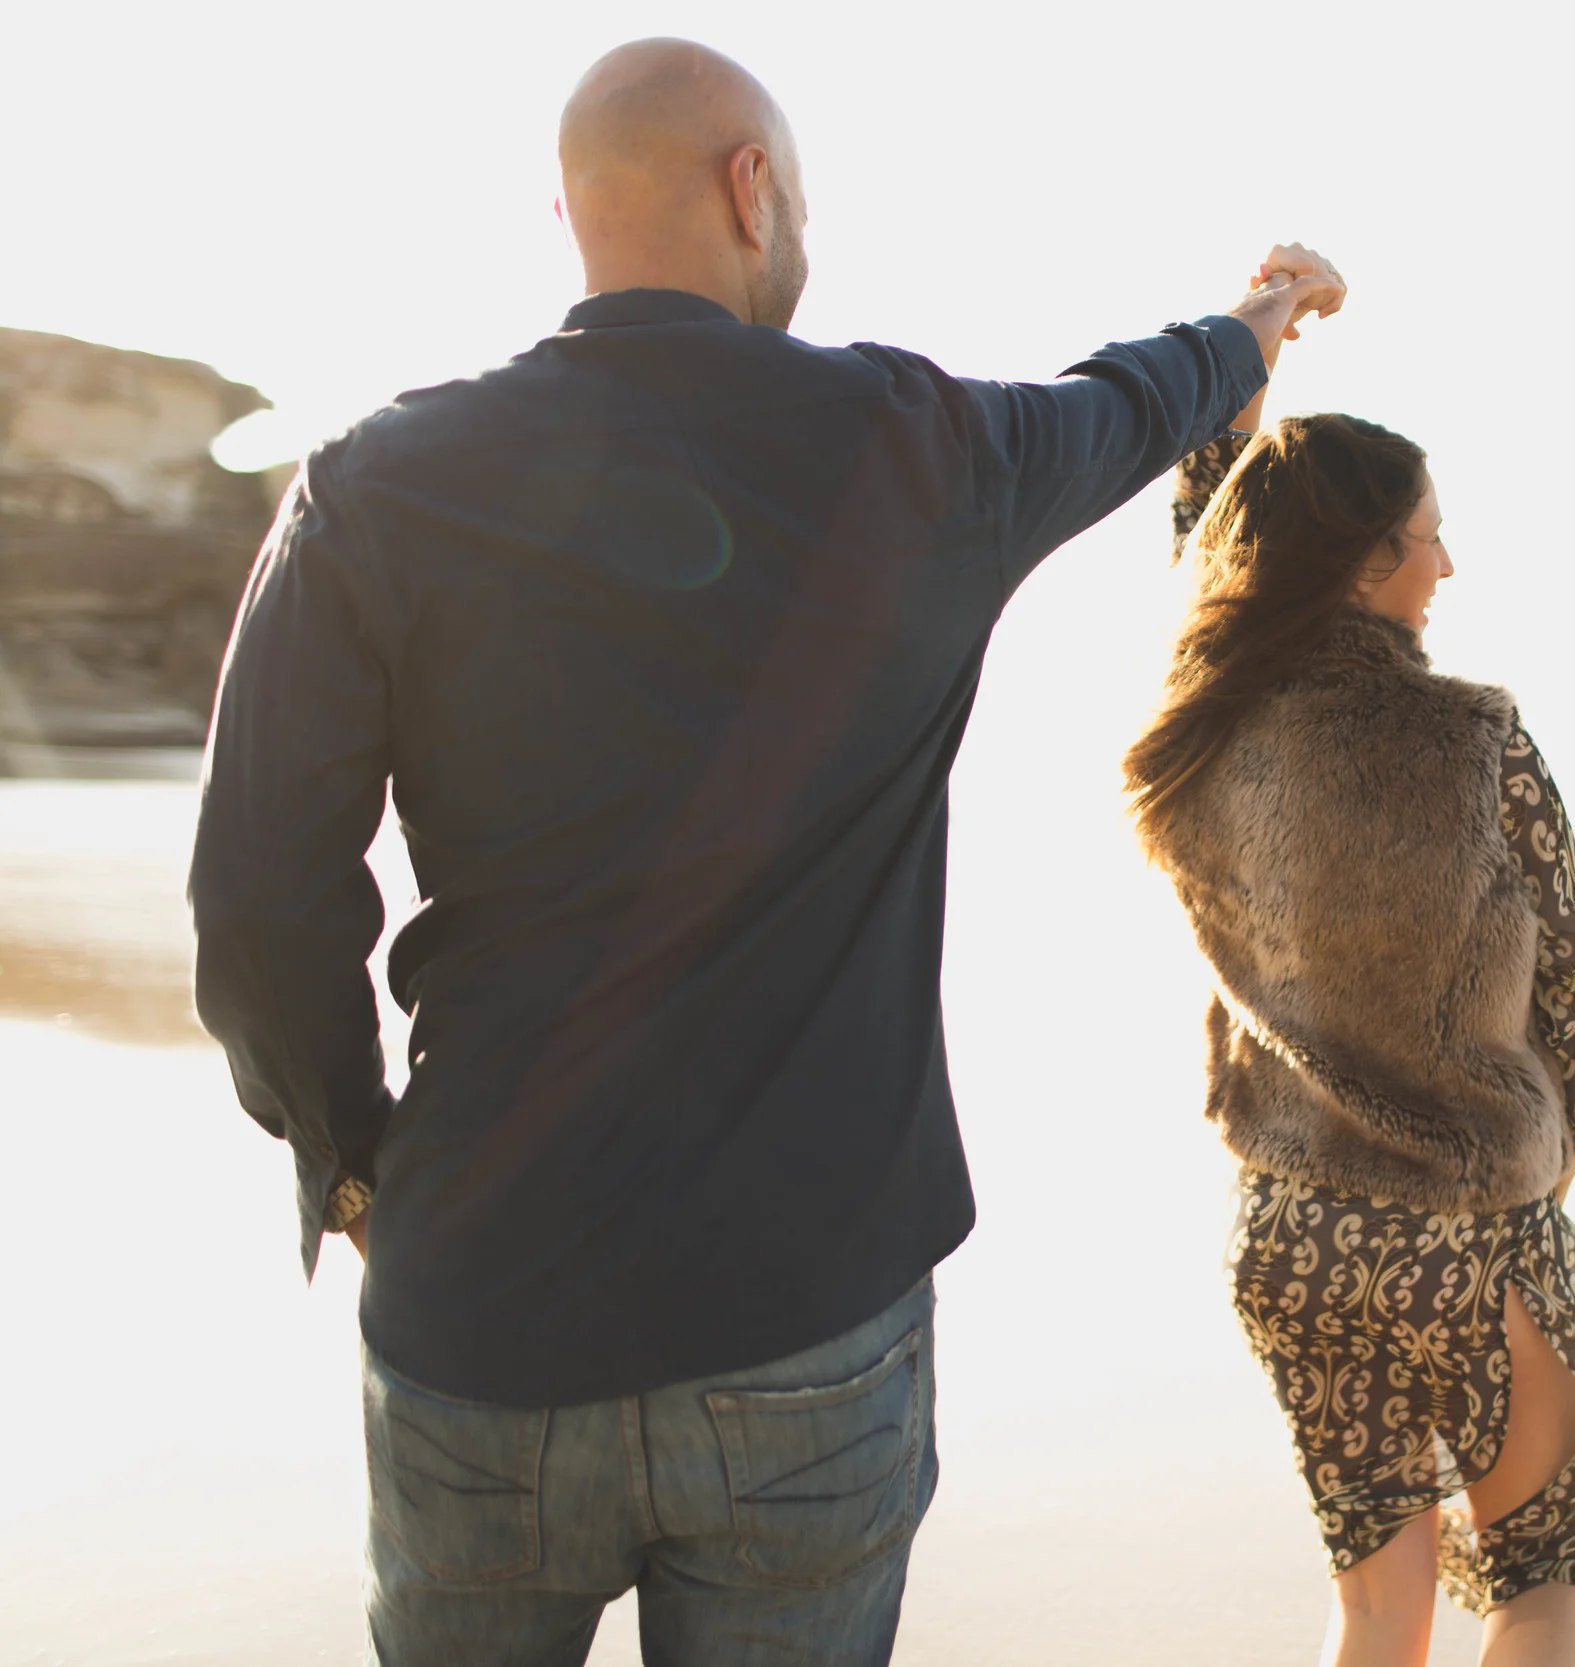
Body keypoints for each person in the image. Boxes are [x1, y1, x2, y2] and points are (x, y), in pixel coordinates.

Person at [185, 35, 1343, 1666]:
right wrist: (1261, 317)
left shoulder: (379, 481)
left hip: (482, 1308)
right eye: (798, 195)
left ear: (576, 215)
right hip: (806, 1323)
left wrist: (354, 1166)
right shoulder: (925, 447)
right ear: (752, 190)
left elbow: (256, 894)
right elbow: (1133, 400)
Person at [1131, 414, 1575, 1667]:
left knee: (1373, 1609)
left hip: (1290, 1236)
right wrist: (1560, 1153)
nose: (1447, 563)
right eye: (1427, 538)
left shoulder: (1201, 724)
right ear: (1363, 560)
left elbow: (1211, 547)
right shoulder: (1474, 742)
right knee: (1538, 1579)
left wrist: (1243, 360)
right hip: (1465, 1233)